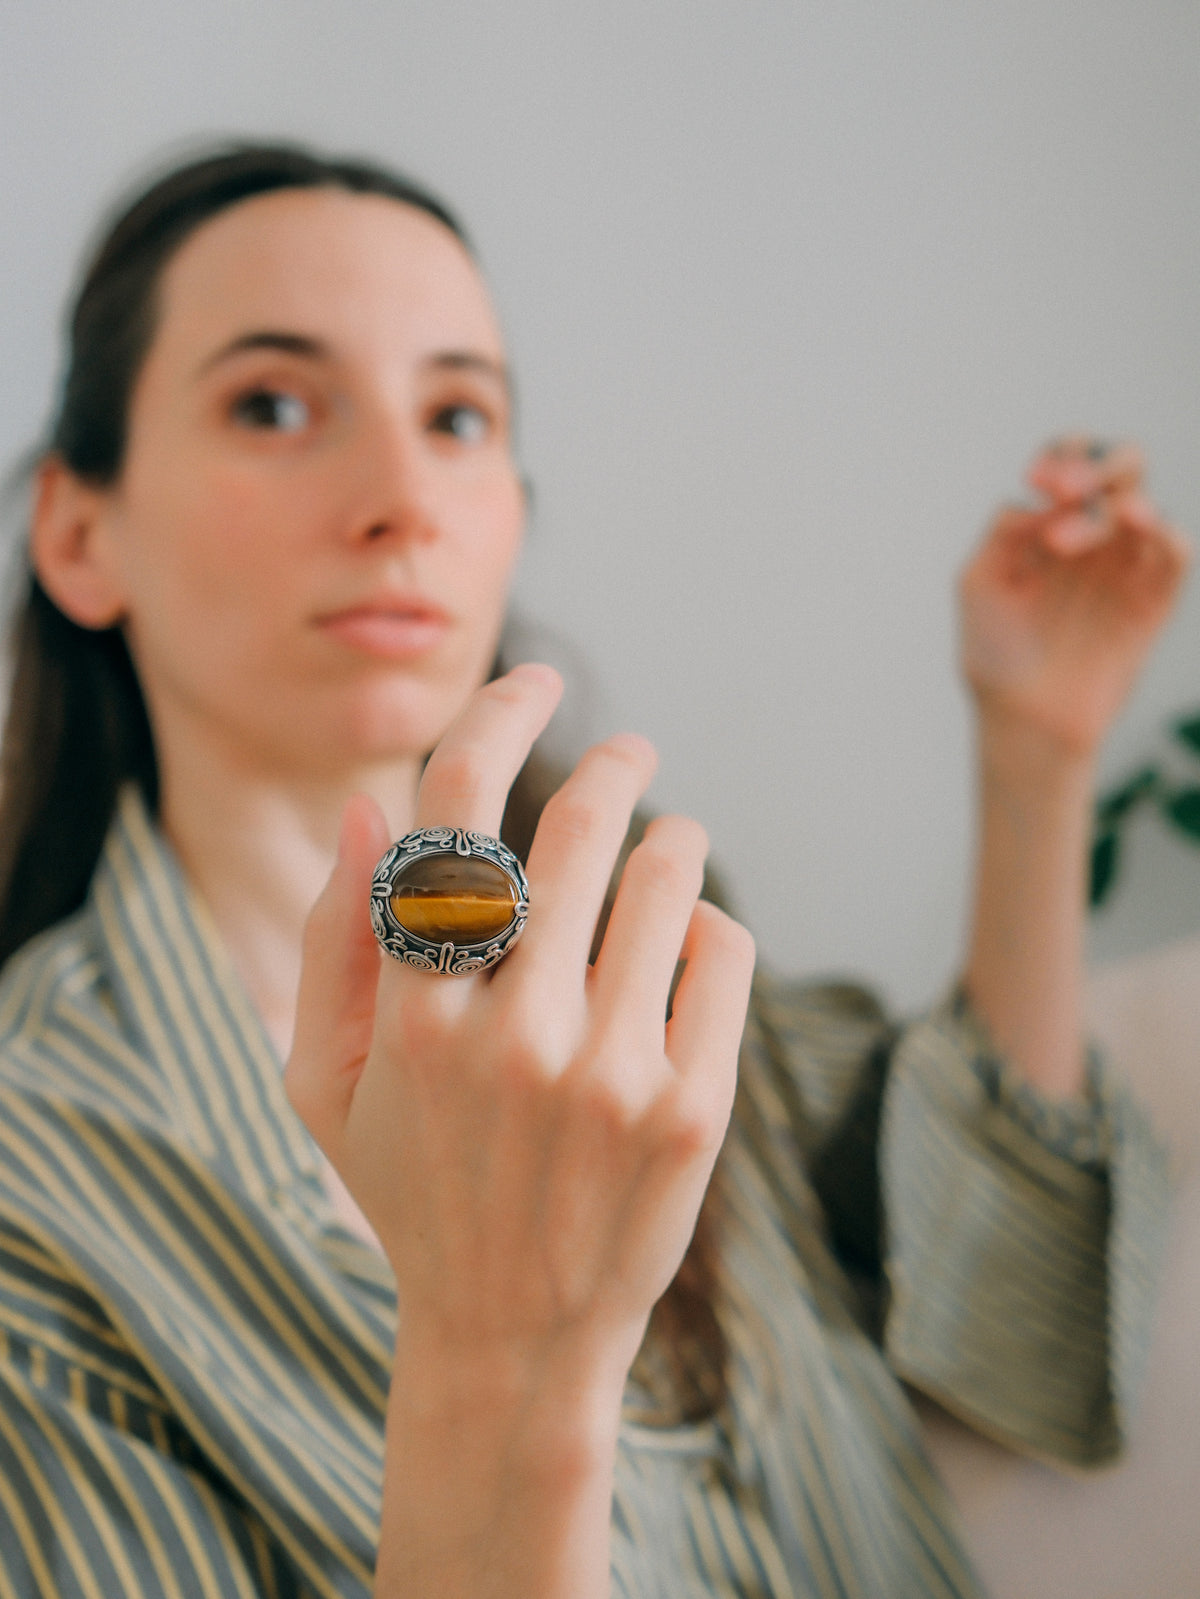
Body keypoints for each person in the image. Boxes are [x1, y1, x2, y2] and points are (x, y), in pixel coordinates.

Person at [0, 141, 1186, 1599]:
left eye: (457, 416)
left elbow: (1021, 1324)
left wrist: (1037, 756)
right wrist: (505, 1356)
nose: (400, 497)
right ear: (77, 530)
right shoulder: (38, 1189)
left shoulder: (653, 962)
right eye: (273, 403)